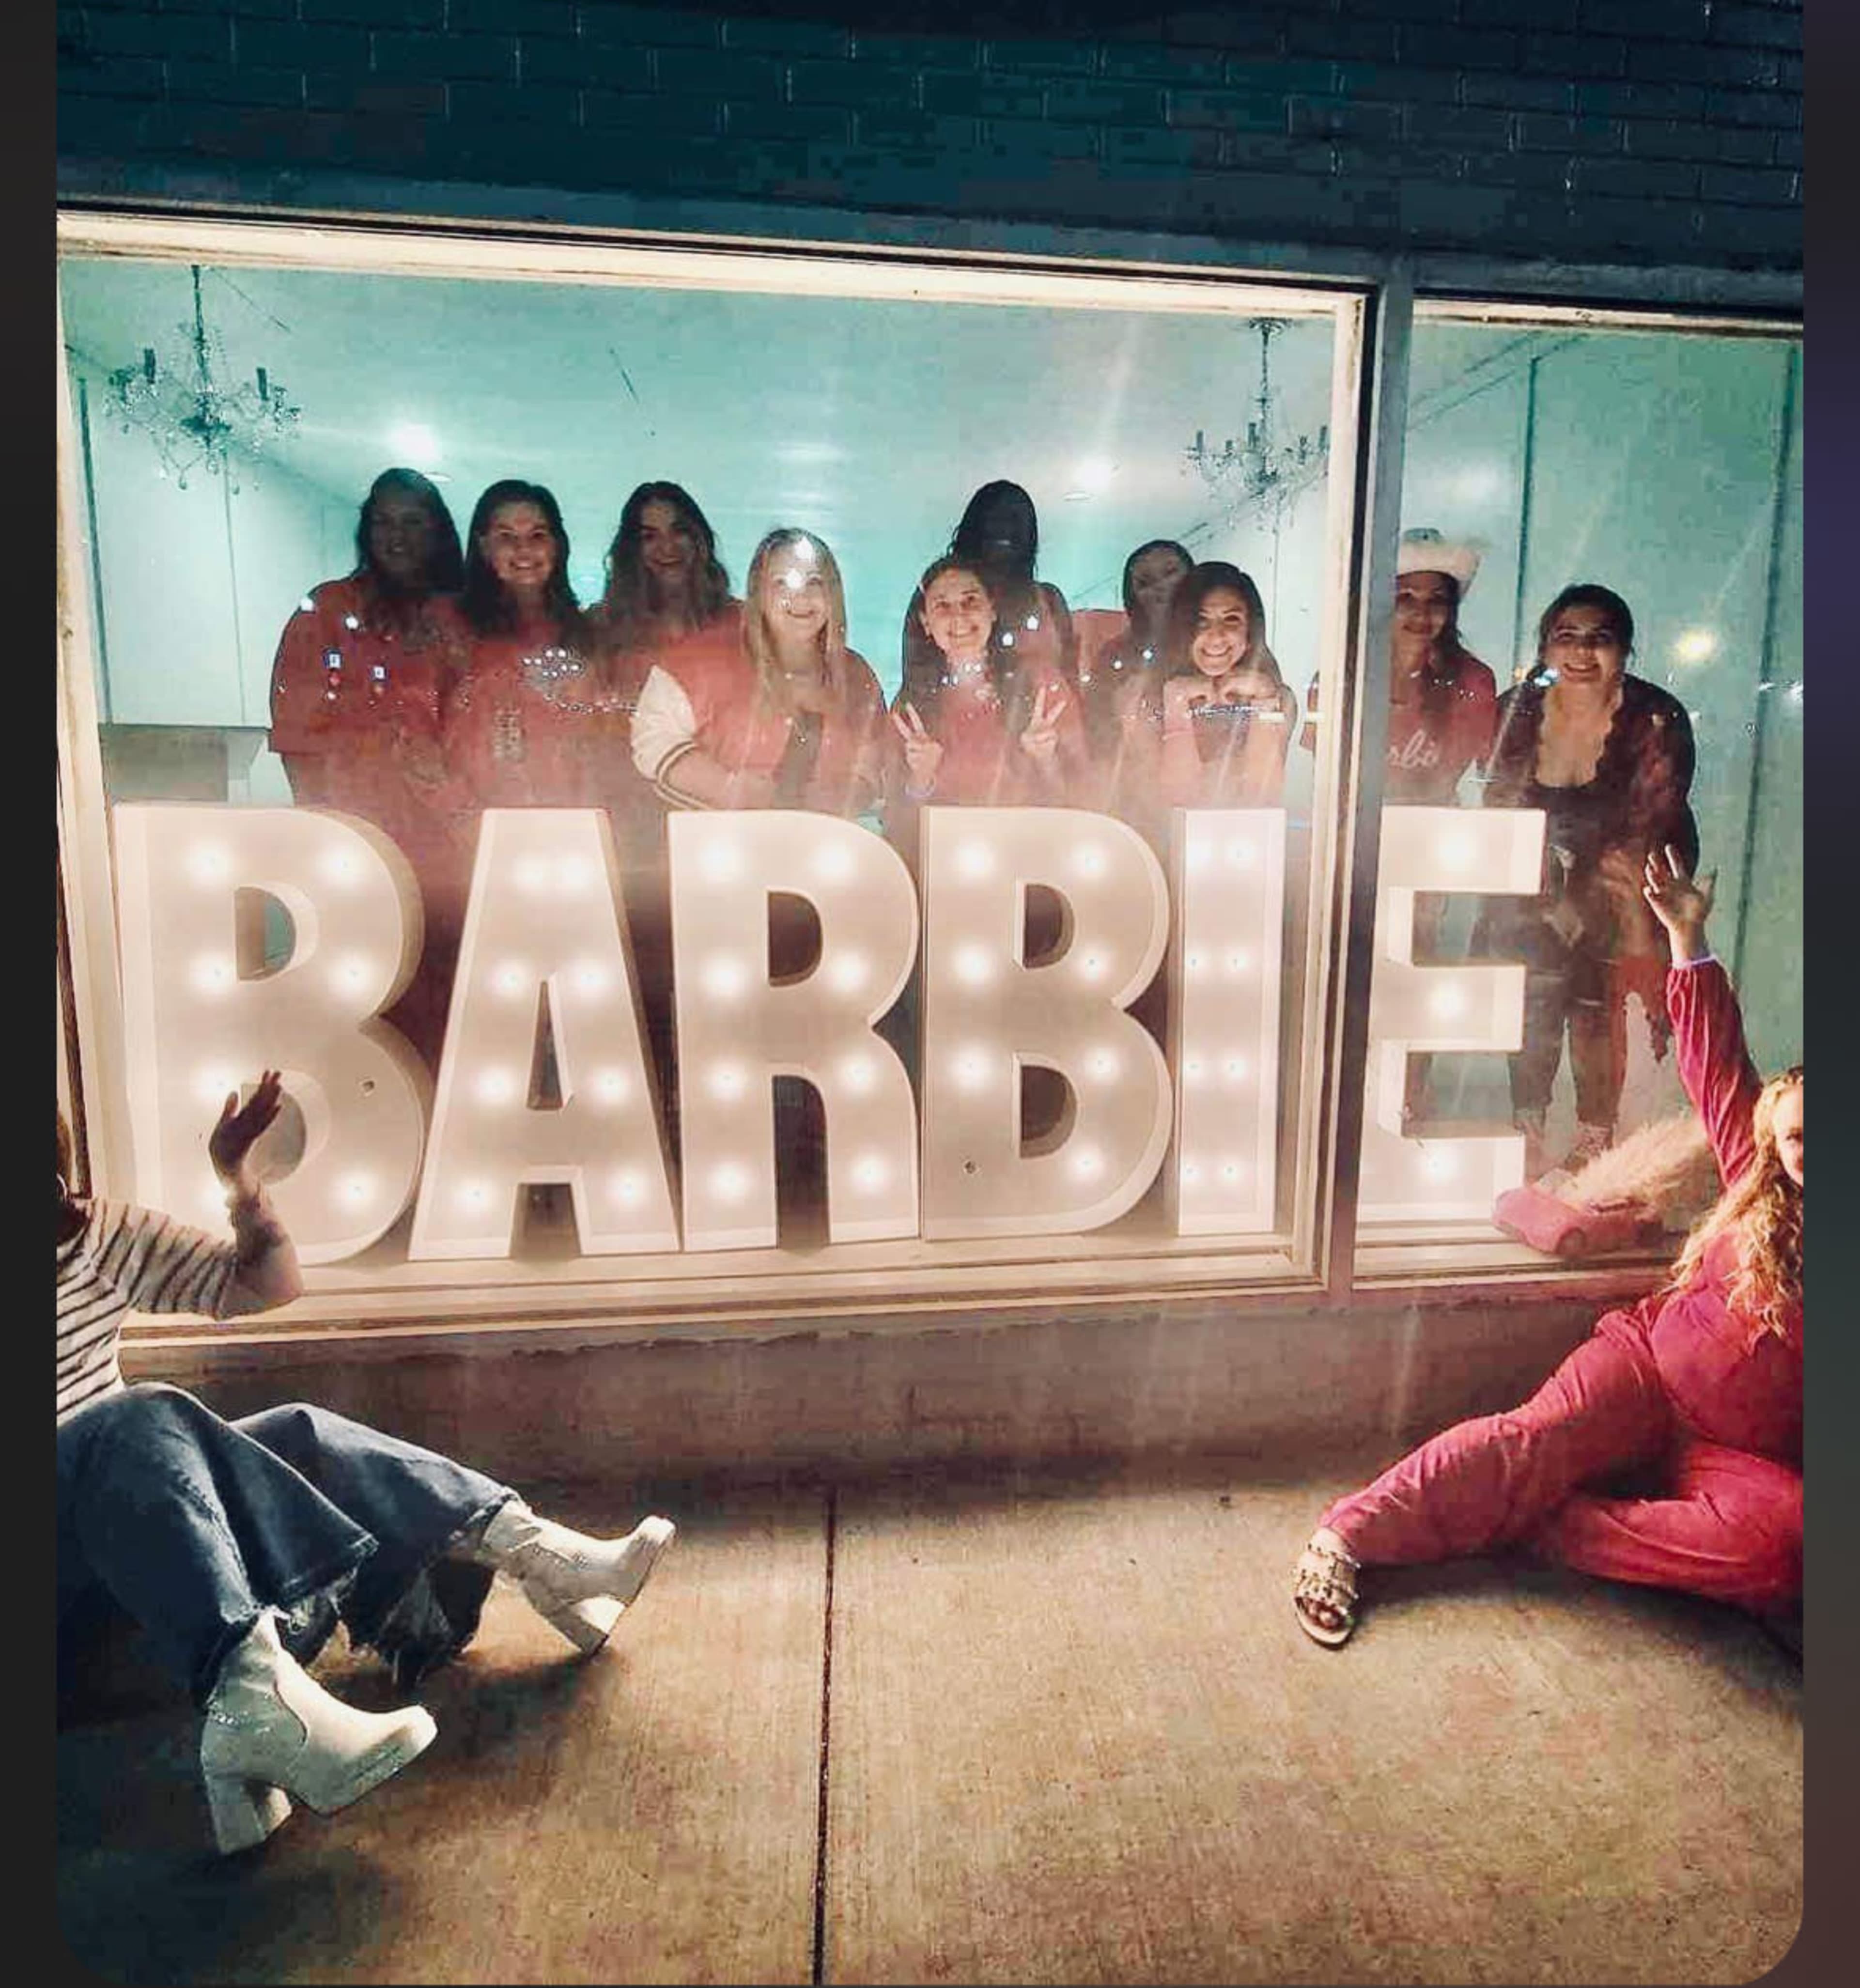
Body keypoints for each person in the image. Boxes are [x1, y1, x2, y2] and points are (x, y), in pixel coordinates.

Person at [57, 1075, 677, 1857]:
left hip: (143, 1568)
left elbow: (264, 1283)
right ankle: (254, 1702)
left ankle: (535, 1554)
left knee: (293, 1432)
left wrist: (239, 1184)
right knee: (137, 1417)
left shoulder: (81, 1231)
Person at [1292, 846, 1799, 1649]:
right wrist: (1686, 941)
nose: (1807, 1149)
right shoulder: (1755, 1169)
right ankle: (1349, 1534)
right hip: (1646, 1372)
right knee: (1532, 1437)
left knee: (1780, 1551)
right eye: (1798, 1133)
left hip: (1738, 1455)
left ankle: (1556, 1527)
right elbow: (1717, 1062)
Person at [1477, 584, 1697, 1176]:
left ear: (1625, 649)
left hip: (1625, 880)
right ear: (1546, 647)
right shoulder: (1514, 709)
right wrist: (1533, 891)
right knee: (1531, 1002)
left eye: (1599, 639)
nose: (1581, 653)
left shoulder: (1656, 716)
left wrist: (1617, 912)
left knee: (1597, 1007)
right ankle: (1527, 1128)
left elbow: (1653, 818)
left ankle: (1595, 1142)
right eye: (1566, 638)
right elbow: (1496, 799)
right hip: (1532, 877)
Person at [266, 468, 474, 1066]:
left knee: (452, 999)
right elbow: (298, 740)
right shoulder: (327, 612)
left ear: (438, 532)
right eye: (383, 521)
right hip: (359, 846)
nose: (397, 536)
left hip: (449, 849)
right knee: (366, 1008)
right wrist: (327, 839)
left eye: (412, 522)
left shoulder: (460, 617)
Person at [629, 527, 888, 820]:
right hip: (718, 843)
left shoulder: (856, 676)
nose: (800, 596)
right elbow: (653, 739)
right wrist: (725, 788)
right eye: (782, 583)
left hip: (819, 847)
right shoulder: (702, 662)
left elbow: (876, 764)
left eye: (815, 582)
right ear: (759, 594)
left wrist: (841, 797)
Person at [443, 479, 623, 817]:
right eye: (507, 538)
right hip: (475, 827)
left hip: (570, 824)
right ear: (484, 546)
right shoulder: (451, 632)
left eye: (538, 536)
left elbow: (604, 741)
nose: (524, 551)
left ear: (557, 545)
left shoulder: (587, 635)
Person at [585, 481, 737, 864]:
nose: (667, 547)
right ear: (631, 551)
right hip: (626, 820)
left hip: (717, 817)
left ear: (699, 539)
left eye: (679, 531)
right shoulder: (601, 629)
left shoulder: (743, 625)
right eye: (649, 536)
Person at [887, 554, 1086, 842]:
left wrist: (1047, 761)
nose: (959, 617)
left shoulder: (1039, 684)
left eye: (971, 601)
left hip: (1029, 852)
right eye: (942, 606)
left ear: (992, 610)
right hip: (944, 859)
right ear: (926, 623)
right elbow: (897, 822)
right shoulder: (912, 708)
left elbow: (1083, 801)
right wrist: (921, 779)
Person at [1298, 527, 1499, 805]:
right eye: (1405, 598)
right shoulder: (1339, 676)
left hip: (1435, 829)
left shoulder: (1473, 681)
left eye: (1437, 600)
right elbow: (1330, 773)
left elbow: (1468, 774)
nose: (1422, 613)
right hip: (1355, 828)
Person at [1154, 561, 1298, 810]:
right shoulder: (1149, 698)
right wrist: (1176, 702)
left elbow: (1262, 798)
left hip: (1248, 840)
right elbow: (1177, 801)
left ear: (1251, 631)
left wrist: (1263, 699)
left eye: (1231, 620)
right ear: (1182, 629)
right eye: (1201, 622)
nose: (1216, 636)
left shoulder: (1278, 700)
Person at [1073, 538, 1193, 824]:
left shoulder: (1218, 646)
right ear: (1131, 597)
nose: (1162, 587)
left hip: (1209, 806)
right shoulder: (1115, 656)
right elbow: (1099, 741)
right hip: (1136, 806)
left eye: (1170, 572)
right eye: (1146, 582)